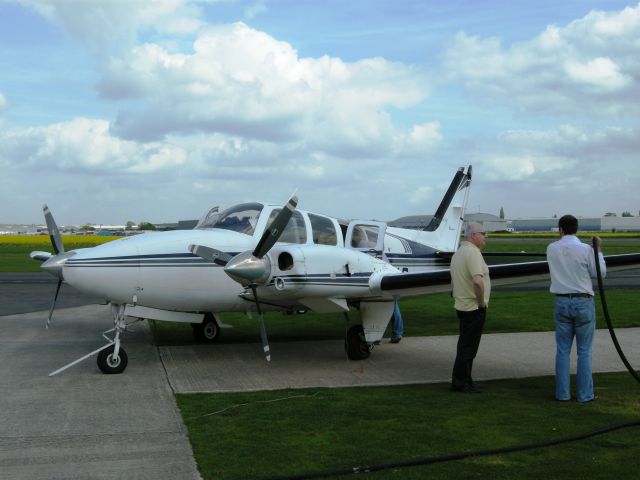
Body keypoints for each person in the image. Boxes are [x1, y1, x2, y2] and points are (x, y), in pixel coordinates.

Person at [547, 214, 605, 403]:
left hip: (562, 301)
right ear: (576, 229)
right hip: (583, 301)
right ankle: (585, 394)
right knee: (584, 351)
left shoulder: (551, 249)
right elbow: (600, 273)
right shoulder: (586, 249)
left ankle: (562, 394)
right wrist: (598, 251)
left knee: (562, 350)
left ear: (560, 229)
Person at [450, 222, 490, 393]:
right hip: (473, 307)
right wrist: (481, 302)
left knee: (465, 345)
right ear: (473, 235)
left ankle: (465, 379)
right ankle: (461, 383)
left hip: (462, 305)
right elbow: (477, 280)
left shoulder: (458, 253)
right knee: (468, 347)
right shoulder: (473, 252)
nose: (485, 237)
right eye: (483, 233)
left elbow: (452, 281)